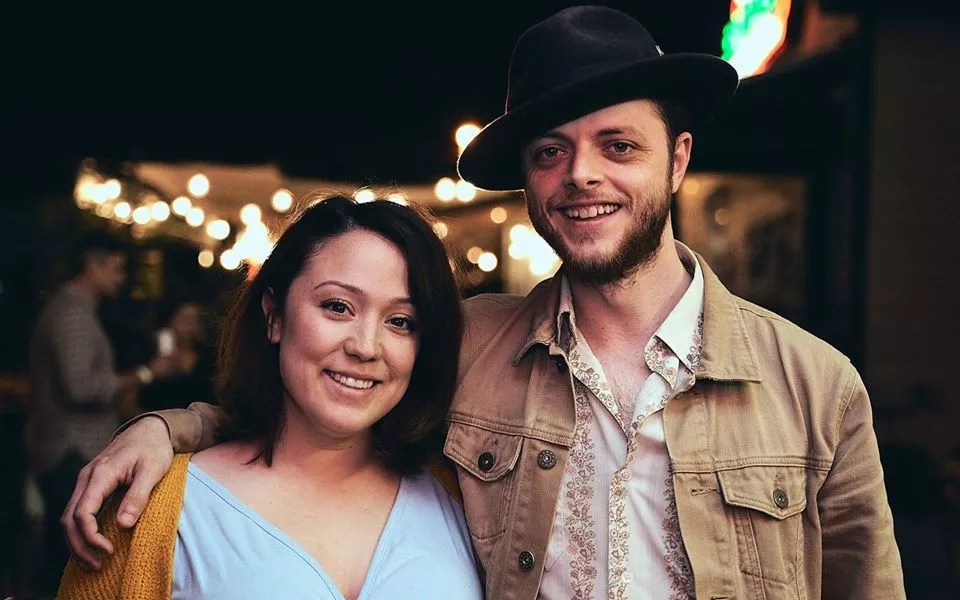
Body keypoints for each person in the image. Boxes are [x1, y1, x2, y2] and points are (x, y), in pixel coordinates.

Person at [61, 6, 905, 599]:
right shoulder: (466, 346)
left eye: (618, 146)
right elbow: (323, 408)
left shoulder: (817, 387)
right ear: (527, 179)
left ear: (678, 159)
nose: (582, 175)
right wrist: (170, 430)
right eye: (550, 151)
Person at [56, 195, 482, 599]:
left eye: (401, 321)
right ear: (274, 316)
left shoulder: (465, 493)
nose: (366, 347)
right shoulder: (155, 502)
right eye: (338, 307)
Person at [24, 229, 178, 595]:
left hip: (66, 448)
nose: (121, 279)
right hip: (69, 450)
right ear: (94, 264)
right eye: (117, 269)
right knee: (65, 559)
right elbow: (80, 387)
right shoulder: (72, 315)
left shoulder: (76, 310)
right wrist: (145, 373)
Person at [138, 296, 216, 412]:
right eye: (184, 318)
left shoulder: (207, 357)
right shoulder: (152, 351)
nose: (188, 325)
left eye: (193, 320)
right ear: (171, 320)